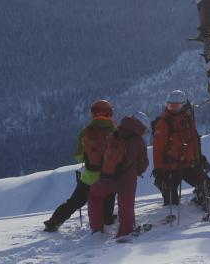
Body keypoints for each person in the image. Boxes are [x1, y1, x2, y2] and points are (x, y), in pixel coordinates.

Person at [42, 99, 117, 232]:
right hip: (108, 175)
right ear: (109, 113)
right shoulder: (115, 131)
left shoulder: (86, 132)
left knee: (74, 202)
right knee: (108, 199)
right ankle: (107, 219)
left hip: (88, 176)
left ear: (93, 114)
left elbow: (78, 156)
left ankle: (54, 222)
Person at [152, 90, 210, 211]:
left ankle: (197, 204)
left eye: (176, 106)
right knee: (171, 204)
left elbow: (194, 142)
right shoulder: (163, 122)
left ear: (182, 106)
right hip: (170, 167)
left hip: (189, 164)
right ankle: (171, 221)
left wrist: (201, 159)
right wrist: (158, 170)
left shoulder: (187, 119)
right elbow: (157, 149)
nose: (173, 109)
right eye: (170, 105)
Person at [88, 111, 149, 238]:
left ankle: (96, 230)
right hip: (127, 181)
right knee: (126, 207)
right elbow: (143, 165)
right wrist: (135, 172)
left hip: (107, 177)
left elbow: (104, 155)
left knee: (94, 196)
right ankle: (124, 233)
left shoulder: (114, 134)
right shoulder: (139, 141)